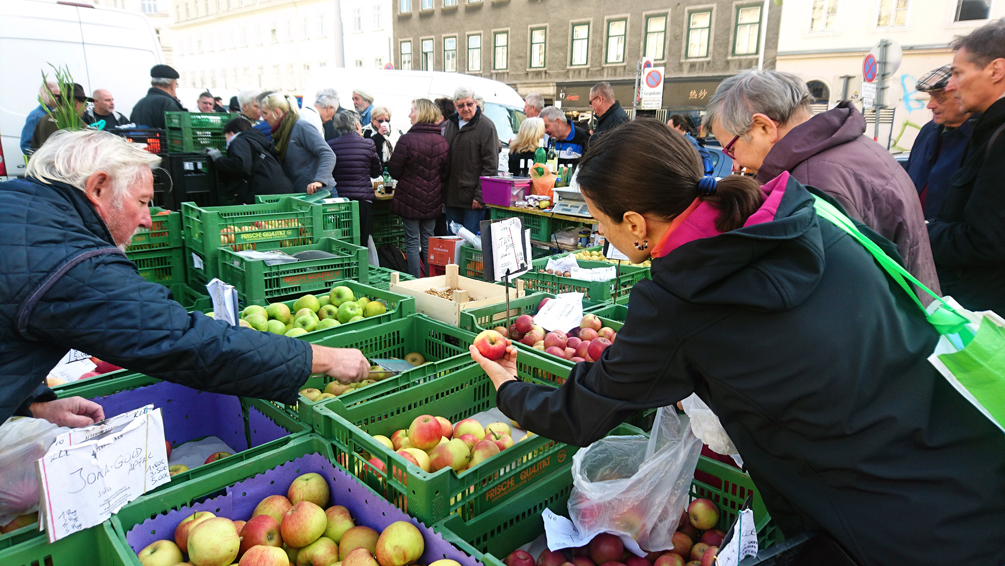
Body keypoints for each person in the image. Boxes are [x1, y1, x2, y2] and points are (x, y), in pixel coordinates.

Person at [468, 120, 1005, 566]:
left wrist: (508, 384)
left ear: (633, 222)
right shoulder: (809, 210)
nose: (601, 230)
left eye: (599, 218)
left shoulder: (678, 301)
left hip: (897, 524)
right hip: (974, 450)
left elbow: (580, 414)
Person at [0, 129, 370, 427]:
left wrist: (33, 404)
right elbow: (182, 339)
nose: (148, 219)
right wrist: (317, 358)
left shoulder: (19, 210)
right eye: (143, 202)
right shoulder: (68, 257)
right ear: (98, 188)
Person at [705, 69, 941, 304]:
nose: (734, 163)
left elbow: (829, 296)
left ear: (763, 127)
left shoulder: (812, 182)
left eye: (731, 148)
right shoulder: (855, 147)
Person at [927, 19, 1005, 314]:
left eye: (958, 73)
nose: (951, 85)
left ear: (995, 70)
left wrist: (922, 233)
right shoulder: (991, 129)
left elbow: (986, 241)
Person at [386, 99, 451, 277]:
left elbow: (394, 170)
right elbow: (445, 174)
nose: (409, 114)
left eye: (412, 110)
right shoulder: (442, 142)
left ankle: (415, 281)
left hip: (409, 198)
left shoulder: (406, 140)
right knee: (429, 241)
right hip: (433, 199)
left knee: (412, 242)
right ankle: (429, 280)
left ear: (420, 113)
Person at [906, 64, 977, 220]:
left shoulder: (983, 136)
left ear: (963, 94)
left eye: (939, 97)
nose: (930, 105)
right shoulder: (928, 131)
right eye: (930, 96)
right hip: (914, 237)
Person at [443, 87, 499, 235]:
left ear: (475, 103)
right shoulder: (451, 124)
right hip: (452, 196)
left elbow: (491, 166)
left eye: (469, 104)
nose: (466, 109)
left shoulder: (486, 126)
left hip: (473, 199)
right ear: (455, 105)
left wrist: (480, 196)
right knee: (452, 244)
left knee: (470, 243)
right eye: (461, 105)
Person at [259, 93, 335, 194]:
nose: (263, 118)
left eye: (265, 113)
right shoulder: (278, 136)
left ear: (277, 112)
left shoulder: (301, 127)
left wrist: (319, 180)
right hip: (301, 194)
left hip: (321, 194)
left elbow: (327, 153)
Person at [327, 111, 382, 248]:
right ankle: (362, 267)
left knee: (343, 241)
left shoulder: (330, 145)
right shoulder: (368, 144)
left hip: (340, 200)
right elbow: (376, 172)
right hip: (363, 199)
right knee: (362, 241)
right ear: (357, 125)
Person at [208, 117, 292, 204]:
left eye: (226, 137)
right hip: (282, 189)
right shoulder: (257, 141)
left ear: (231, 133)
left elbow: (241, 164)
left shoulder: (239, 141)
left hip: (265, 193)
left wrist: (218, 159)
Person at [30, 83, 92, 151]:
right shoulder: (75, 123)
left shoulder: (43, 119)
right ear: (76, 102)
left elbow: (33, 148)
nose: (85, 108)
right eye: (85, 103)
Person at [130, 64, 187, 129]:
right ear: (172, 84)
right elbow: (178, 131)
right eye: (176, 84)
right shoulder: (167, 103)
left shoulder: (140, 103)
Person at [21, 79, 60, 153]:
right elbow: (26, 145)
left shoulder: (56, 113)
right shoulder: (36, 117)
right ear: (49, 95)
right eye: (58, 95)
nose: (61, 98)